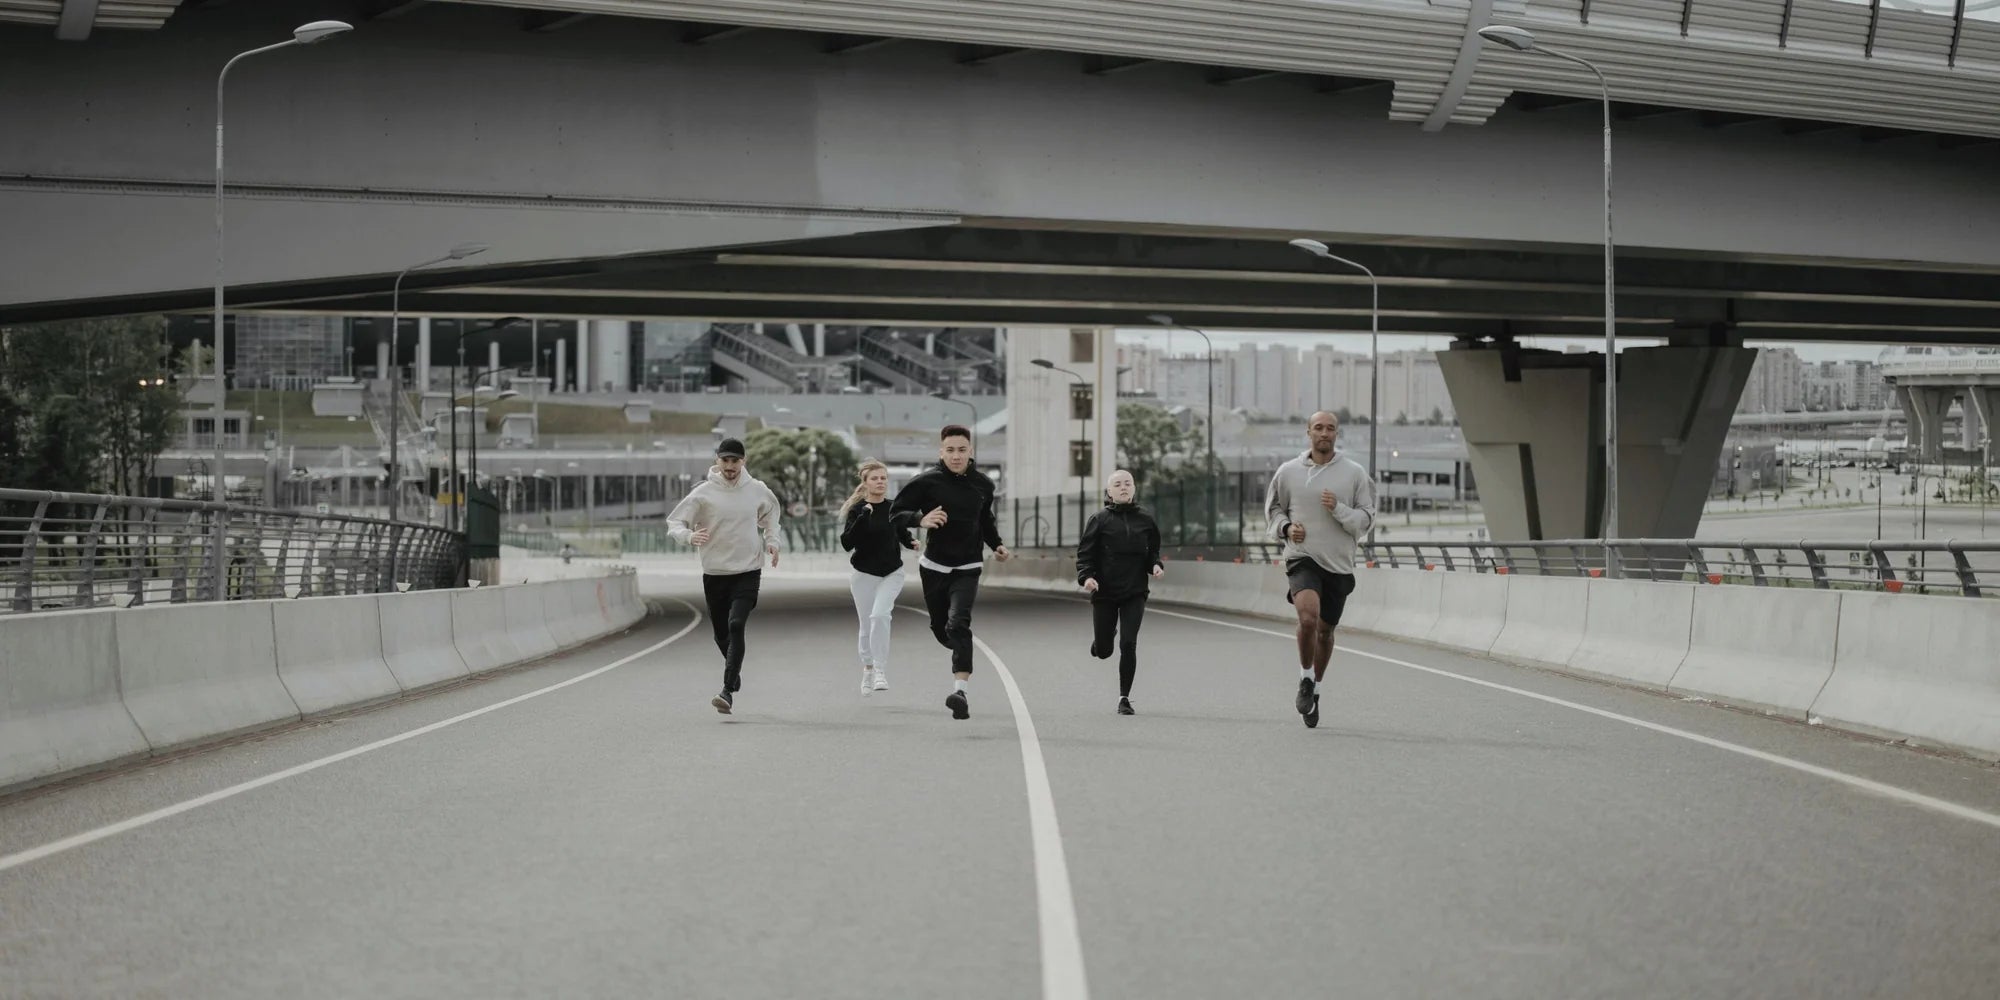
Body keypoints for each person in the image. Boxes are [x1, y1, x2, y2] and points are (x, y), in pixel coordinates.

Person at [1264, 411, 1375, 728]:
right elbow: (1274, 509)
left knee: (1325, 632)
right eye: (1318, 428)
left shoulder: (1354, 474)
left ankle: (1316, 690)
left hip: (1339, 564)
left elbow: (1366, 519)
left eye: (1330, 428)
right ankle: (1305, 678)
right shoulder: (1288, 472)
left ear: (1337, 434)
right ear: (1308, 432)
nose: (1324, 433)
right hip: (1302, 557)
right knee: (1308, 618)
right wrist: (1286, 529)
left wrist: (1338, 508)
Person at [891, 424, 1010, 720]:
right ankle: (958, 645)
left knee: (959, 624)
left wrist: (996, 544)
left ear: (971, 451)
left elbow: (985, 520)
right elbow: (895, 513)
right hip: (934, 567)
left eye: (962, 450)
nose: (956, 456)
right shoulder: (926, 482)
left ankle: (960, 693)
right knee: (941, 629)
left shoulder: (984, 485)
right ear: (941, 452)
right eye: (950, 450)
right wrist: (920, 519)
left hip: (968, 566)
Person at [667, 438, 781, 715]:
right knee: (721, 636)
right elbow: (674, 522)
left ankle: (727, 690)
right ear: (717, 460)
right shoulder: (702, 493)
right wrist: (688, 536)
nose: (730, 466)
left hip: (748, 570)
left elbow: (772, 516)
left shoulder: (757, 490)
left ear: (743, 461)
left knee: (736, 624)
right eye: (725, 460)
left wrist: (772, 541)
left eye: (735, 460)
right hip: (715, 573)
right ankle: (734, 671)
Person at [1076, 469, 1164, 716]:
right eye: (1118, 484)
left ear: (1134, 488)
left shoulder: (1146, 520)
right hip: (1104, 591)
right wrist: (1087, 577)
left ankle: (1124, 698)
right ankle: (1102, 641)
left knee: (1128, 643)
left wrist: (1155, 565)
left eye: (1127, 483)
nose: (1123, 487)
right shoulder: (1099, 520)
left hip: (1134, 591)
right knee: (1104, 651)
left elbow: (1152, 552)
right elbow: (1085, 554)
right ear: (1109, 491)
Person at [839, 459, 918, 698]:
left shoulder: (894, 507)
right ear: (865, 483)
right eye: (875, 478)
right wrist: (863, 517)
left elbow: (901, 531)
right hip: (863, 575)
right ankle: (868, 669)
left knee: (880, 616)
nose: (880, 482)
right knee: (866, 625)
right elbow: (847, 543)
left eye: (883, 478)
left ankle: (881, 670)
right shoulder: (857, 510)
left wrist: (910, 541)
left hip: (891, 573)